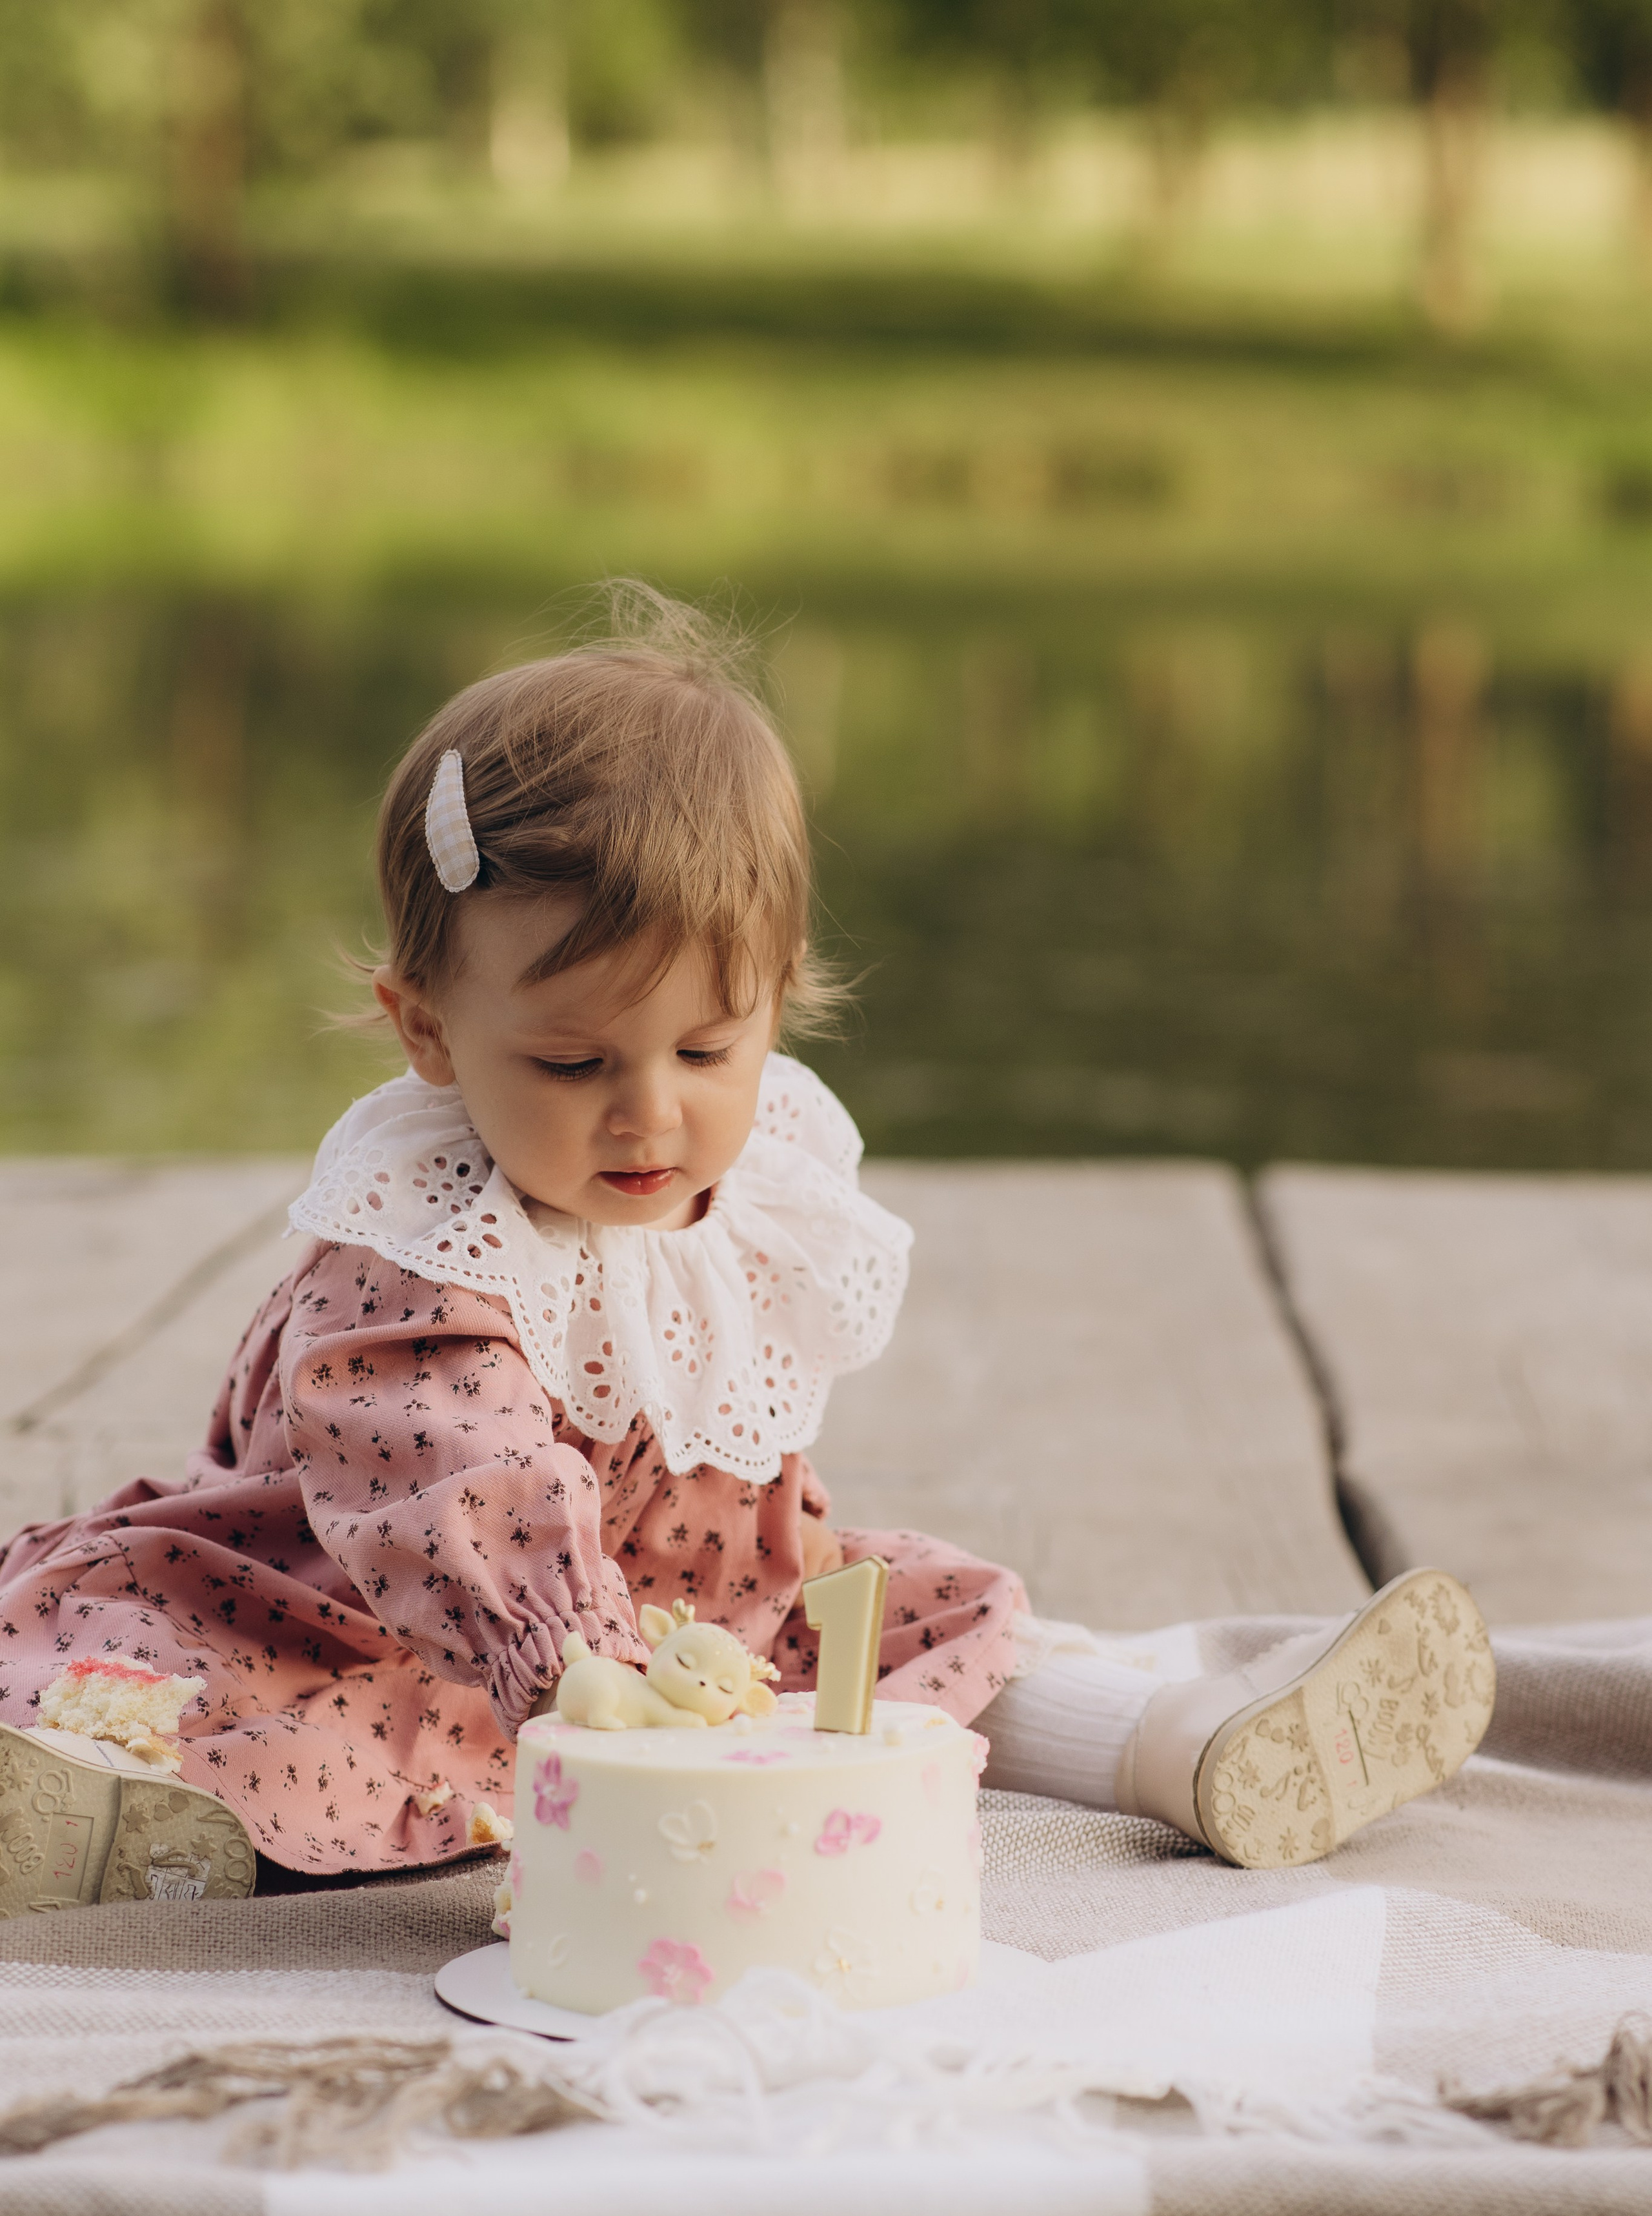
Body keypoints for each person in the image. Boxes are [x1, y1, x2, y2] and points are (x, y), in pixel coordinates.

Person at [0, 590, 1495, 1911]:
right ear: (429, 1031)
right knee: (231, 1699)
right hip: (398, 1629)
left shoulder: (753, 1193)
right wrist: (575, 1667)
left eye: (707, 1049)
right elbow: (465, 1480)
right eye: (573, 1064)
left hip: (686, 1627)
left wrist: (706, 1639)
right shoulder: (423, 1248)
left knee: (910, 1613)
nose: (649, 1113)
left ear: (776, 997)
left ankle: (1186, 1746)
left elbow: (741, 1475)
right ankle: (128, 1819)